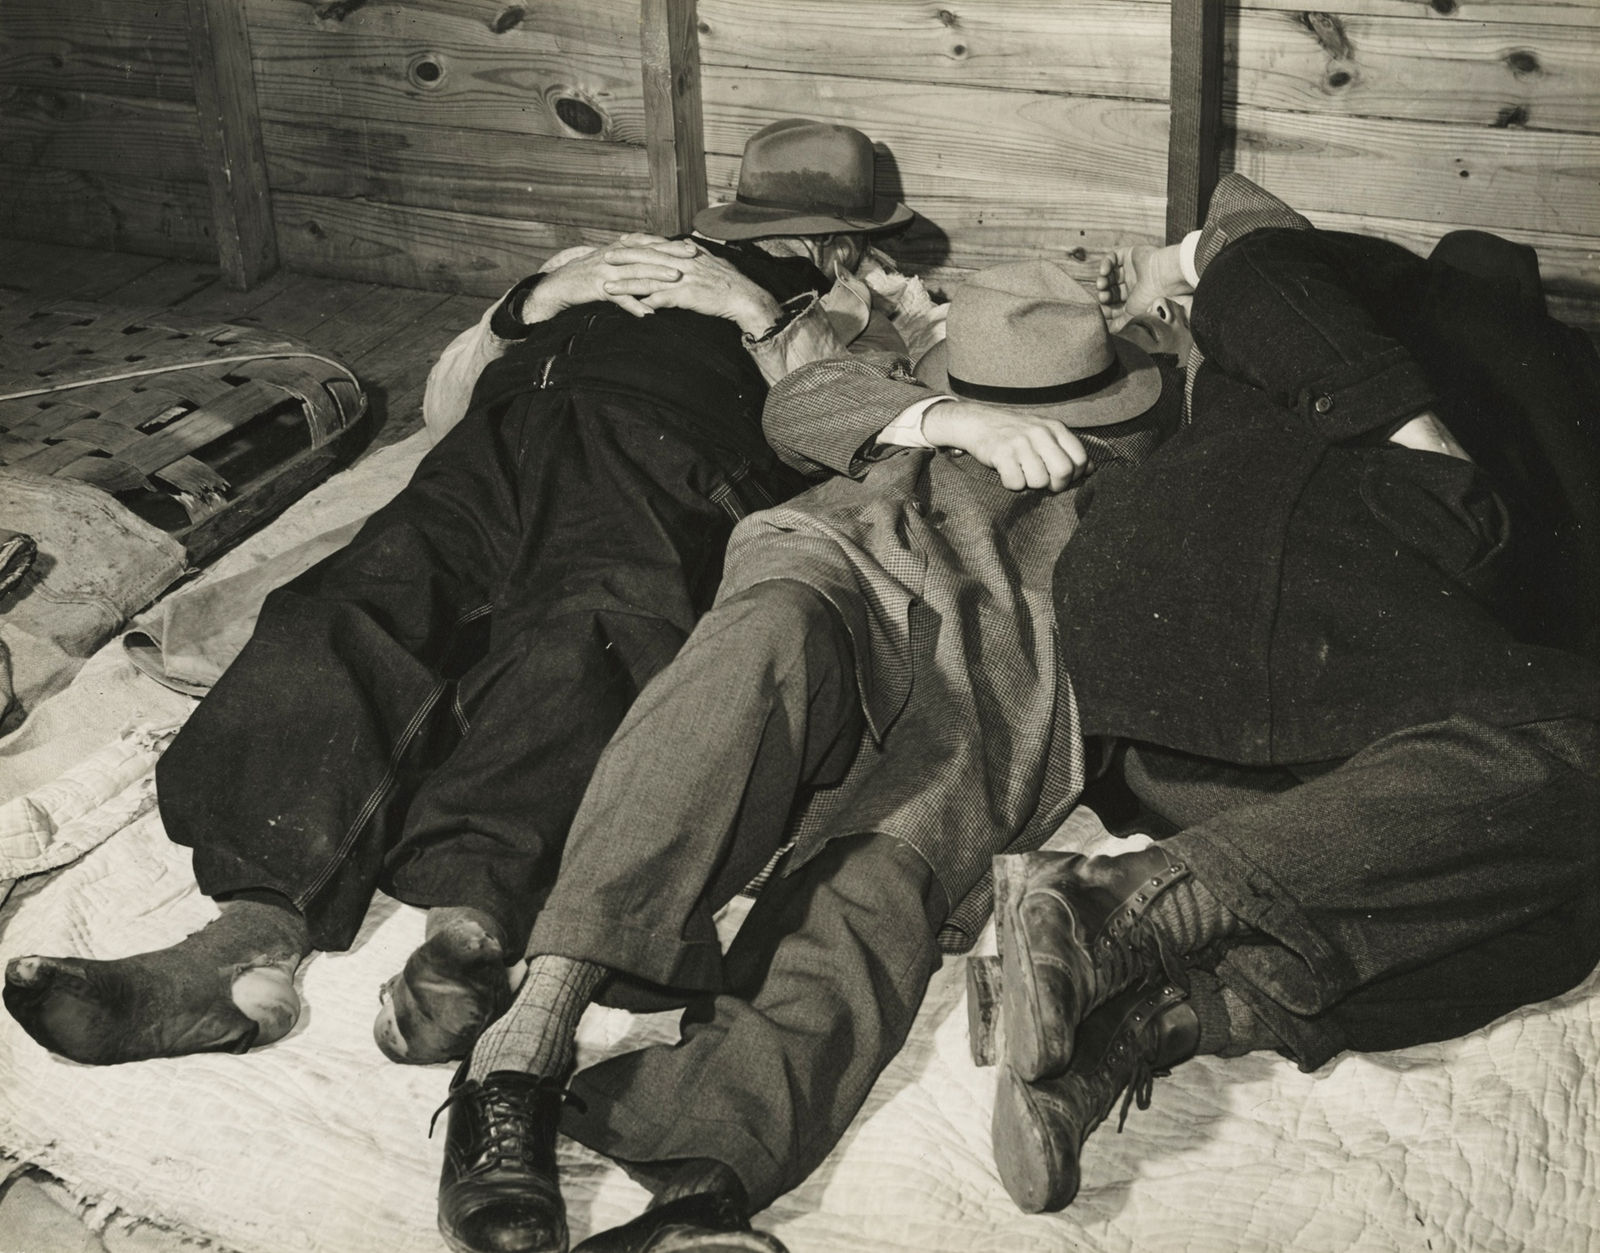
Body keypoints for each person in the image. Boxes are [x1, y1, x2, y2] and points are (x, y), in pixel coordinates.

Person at [1, 118, 943, 1068]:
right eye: (760, 229)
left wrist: (759, 310)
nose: (772, 245)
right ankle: (240, 950)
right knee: (344, 608)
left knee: (585, 639)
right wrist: (535, 299)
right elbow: (444, 401)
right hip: (493, 442)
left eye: (801, 236)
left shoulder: (853, 314)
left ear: (841, 249)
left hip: (661, 457)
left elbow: (857, 433)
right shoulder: (605, 259)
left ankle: (469, 935)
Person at [427, 258, 1189, 1253]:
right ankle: (520, 1050)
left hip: (994, 675)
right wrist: (952, 418)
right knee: (753, 652)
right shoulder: (898, 392)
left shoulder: (1153, 451)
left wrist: (1179, 278)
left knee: (883, 877)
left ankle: (705, 1187)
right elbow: (799, 401)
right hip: (842, 579)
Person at [983, 174, 1600, 1213]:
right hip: (1237, 610)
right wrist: (1423, 445)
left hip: (1247, 755)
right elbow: (1251, 263)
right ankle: (1118, 906)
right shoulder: (1407, 291)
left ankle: (1146, 1014)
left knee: (1569, 908)